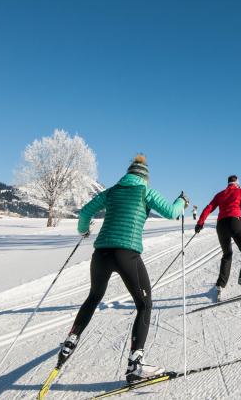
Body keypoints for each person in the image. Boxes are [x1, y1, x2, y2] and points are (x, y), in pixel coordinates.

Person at [56, 154, 188, 382]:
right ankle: (135, 365)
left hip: (101, 254)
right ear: (145, 177)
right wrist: (182, 202)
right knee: (144, 305)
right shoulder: (146, 191)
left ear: (128, 173)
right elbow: (171, 212)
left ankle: (72, 339)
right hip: (127, 254)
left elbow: (86, 211)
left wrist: (83, 230)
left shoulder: (113, 190)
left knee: (94, 297)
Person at [195, 175, 241, 301]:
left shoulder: (220, 194)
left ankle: (220, 285)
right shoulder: (240, 191)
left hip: (221, 225)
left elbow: (209, 208)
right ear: (237, 183)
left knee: (227, 254)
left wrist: (200, 223)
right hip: (234, 222)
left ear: (228, 183)